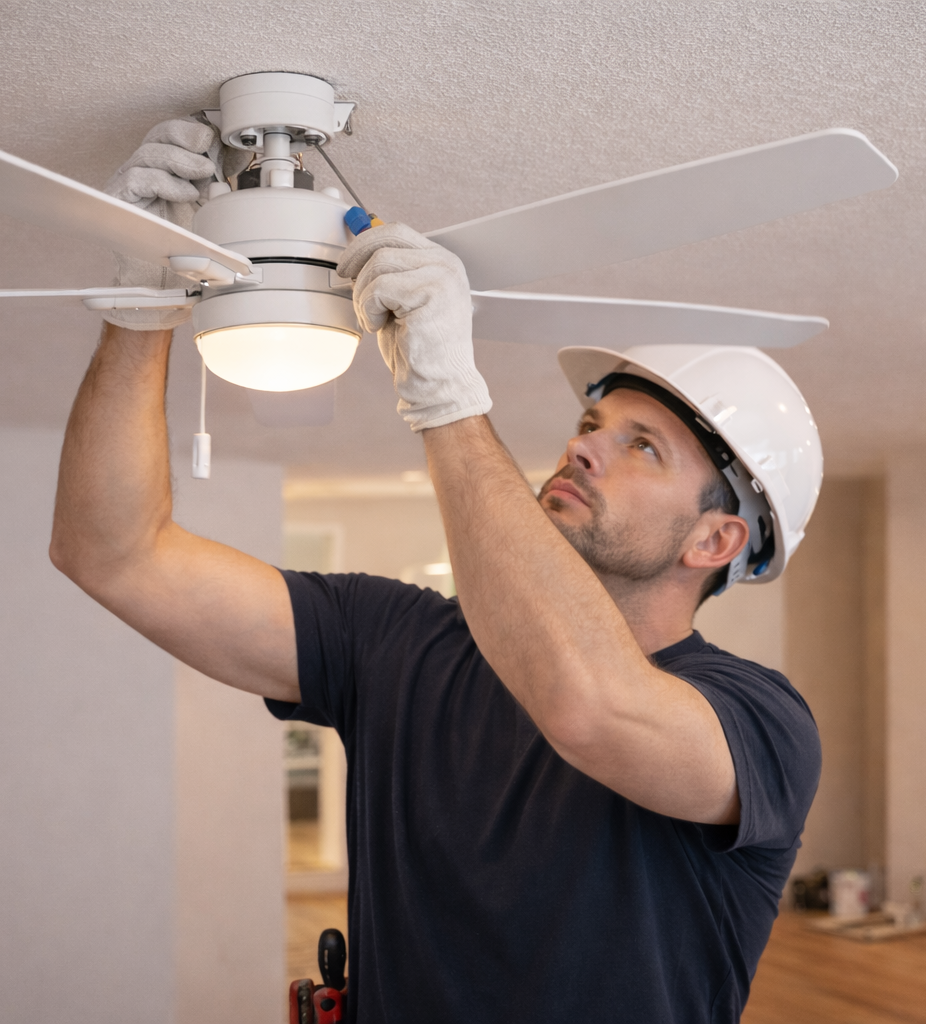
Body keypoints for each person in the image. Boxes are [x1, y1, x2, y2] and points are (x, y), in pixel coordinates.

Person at [51, 121, 824, 1024]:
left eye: (641, 447)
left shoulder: (760, 725)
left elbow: (589, 707)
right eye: (591, 426)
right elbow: (113, 552)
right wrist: (139, 309)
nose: (583, 450)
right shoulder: (394, 643)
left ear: (715, 543)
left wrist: (449, 396)